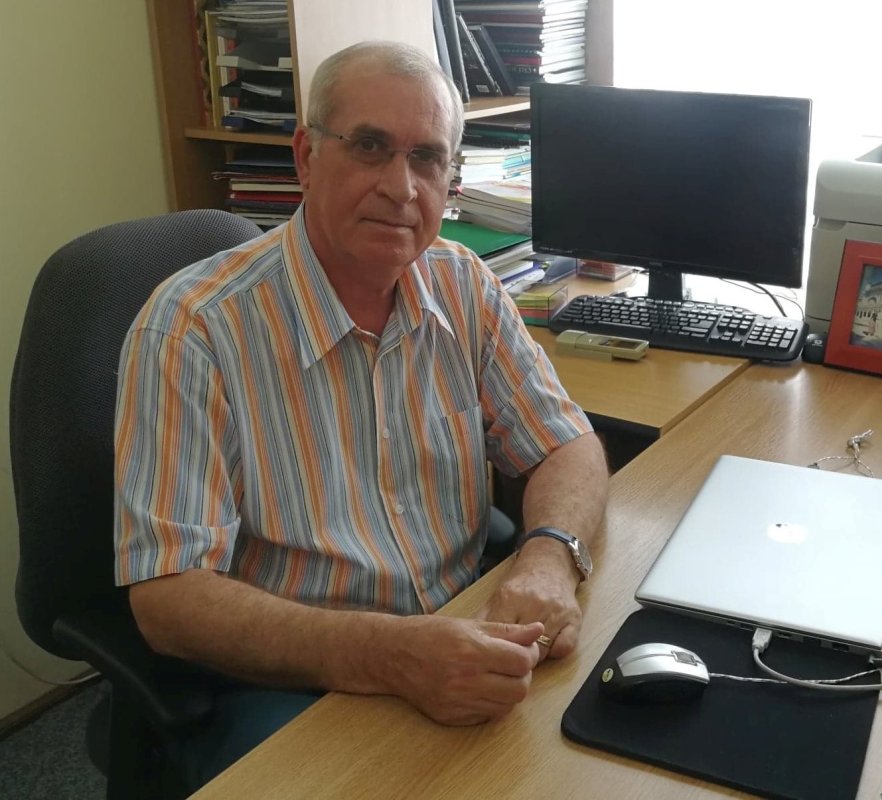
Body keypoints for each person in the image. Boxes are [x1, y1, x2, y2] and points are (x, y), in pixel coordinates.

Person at [113, 40, 607, 788]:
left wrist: (547, 559)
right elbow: (169, 599)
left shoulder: (463, 284)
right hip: (293, 680)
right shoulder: (192, 331)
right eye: (370, 147)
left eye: (427, 158)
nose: (401, 188)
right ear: (306, 157)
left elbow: (564, 443)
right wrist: (387, 654)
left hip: (464, 630)